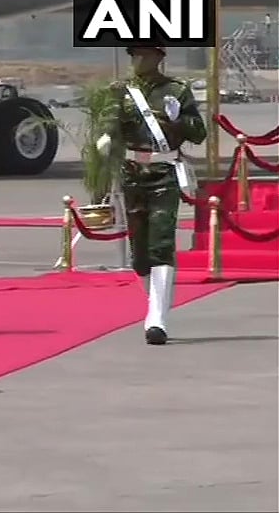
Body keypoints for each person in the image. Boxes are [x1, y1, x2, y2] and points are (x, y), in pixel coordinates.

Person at [96, 45, 206, 345]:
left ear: (160, 58)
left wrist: (177, 120)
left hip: (164, 173)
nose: (138, 60)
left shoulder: (177, 91)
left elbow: (199, 133)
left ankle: (157, 319)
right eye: (134, 55)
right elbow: (110, 119)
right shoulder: (121, 91)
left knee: (161, 243)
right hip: (134, 175)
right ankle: (155, 302)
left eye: (145, 54)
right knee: (140, 254)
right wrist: (105, 138)